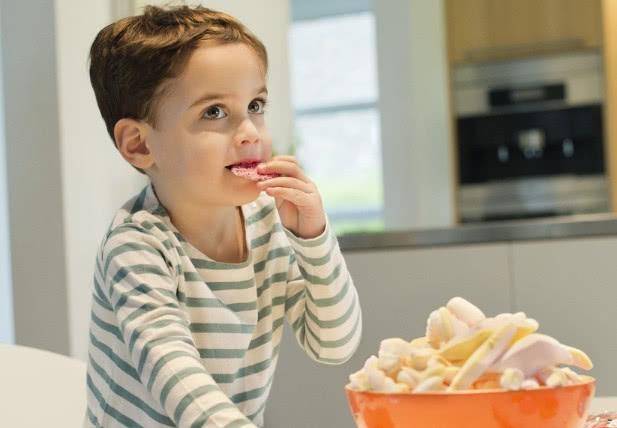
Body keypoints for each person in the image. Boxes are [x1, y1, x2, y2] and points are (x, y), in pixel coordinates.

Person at [85, 5, 362, 427]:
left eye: (256, 105)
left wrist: (313, 238)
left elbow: (334, 344)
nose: (250, 131)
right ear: (139, 144)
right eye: (214, 112)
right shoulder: (137, 246)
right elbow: (179, 382)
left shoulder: (266, 221)